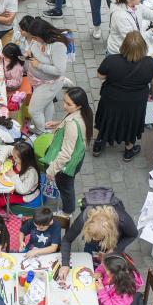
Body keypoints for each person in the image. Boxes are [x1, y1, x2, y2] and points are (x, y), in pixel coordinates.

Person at [94, 31, 153, 160]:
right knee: (132, 122)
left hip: (111, 98)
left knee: (107, 118)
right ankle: (129, 150)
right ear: (144, 47)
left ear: (123, 46)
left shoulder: (111, 60)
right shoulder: (150, 63)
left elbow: (100, 76)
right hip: (136, 102)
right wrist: (152, 93)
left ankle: (98, 144)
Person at [41, 87, 93, 215]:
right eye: (64, 101)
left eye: (69, 104)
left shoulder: (72, 125)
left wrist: (51, 171)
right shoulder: (83, 113)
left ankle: (67, 211)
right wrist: (58, 123)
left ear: (79, 106)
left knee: (66, 188)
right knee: (67, 186)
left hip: (65, 166)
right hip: (77, 158)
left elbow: (65, 154)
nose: (64, 106)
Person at [57, 201, 138, 279]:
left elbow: (133, 235)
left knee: (109, 272)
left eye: (99, 238)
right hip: (91, 246)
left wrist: (114, 250)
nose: (97, 242)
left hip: (114, 244)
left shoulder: (123, 219)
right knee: (90, 260)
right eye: (93, 237)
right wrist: (65, 264)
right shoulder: (84, 218)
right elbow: (66, 239)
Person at [67, 253, 143, 305]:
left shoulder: (123, 290)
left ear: (113, 274)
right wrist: (99, 272)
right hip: (102, 299)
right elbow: (102, 267)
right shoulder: (117, 270)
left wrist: (101, 292)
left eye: (106, 270)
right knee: (79, 304)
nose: (104, 269)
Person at [25, 18, 70, 133]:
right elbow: (33, 46)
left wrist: (39, 65)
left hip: (49, 83)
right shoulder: (38, 39)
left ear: (43, 35)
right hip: (38, 80)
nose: (33, 40)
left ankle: (41, 131)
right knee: (46, 102)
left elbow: (59, 70)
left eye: (35, 37)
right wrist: (29, 52)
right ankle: (47, 124)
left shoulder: (58, 46)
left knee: (34, 110)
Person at [0, 141, 40, 207]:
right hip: (14, 188)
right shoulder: (18, 153)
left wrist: (13, 176)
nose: (13, 158)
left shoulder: (31, 172)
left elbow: (23, 190)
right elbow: (7, 149)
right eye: (13, 155)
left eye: (15, 158)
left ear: (24, 159)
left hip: (24, 195)